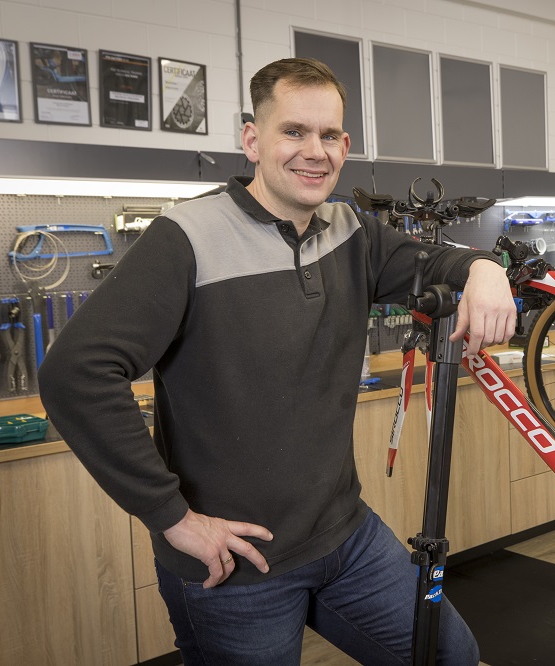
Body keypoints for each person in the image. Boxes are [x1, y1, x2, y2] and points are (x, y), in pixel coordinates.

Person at [39, 57, 516, 665]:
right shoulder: (186, 238)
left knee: (452, 657)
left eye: (329, 136)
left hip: (345, 537)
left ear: (345, 146)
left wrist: (484, 268)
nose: (313, 151)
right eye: (293, 131)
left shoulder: (353, 233)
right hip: (236, 566)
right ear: (252, 140)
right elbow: (74, 372)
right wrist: (173, 518)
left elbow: (434, 263)